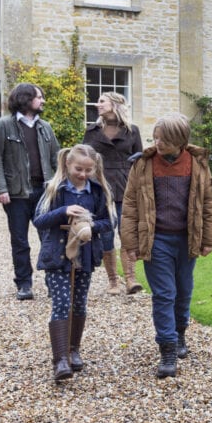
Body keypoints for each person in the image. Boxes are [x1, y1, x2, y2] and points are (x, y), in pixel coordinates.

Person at [121, 113, 212, 378]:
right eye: (156, 136)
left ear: (180, 141)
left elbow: (209, 203)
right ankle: (167, 349)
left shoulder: (197, 164)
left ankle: (180, 333)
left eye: (164, 138)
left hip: (187, 240)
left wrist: (208, 238)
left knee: (184, 291)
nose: (157, 142)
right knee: (164, 294)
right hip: (157, 240)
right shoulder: (143, 165)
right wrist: (130, 242)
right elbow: (129, 205)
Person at [32, 144, 115, 381]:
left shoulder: (97, 191)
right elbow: (38, 220)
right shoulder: (54, 189)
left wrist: (91, 227)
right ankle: (60, 360)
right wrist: (63, 211)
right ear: (68, 164)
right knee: (61, 303)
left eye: (89, 170)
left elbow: (109, 222)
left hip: (85, 256)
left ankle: (73, 350)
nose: (83, 174)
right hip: (57, 256)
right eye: (79, 169)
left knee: (79, 304)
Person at [0, 83, 61, 300]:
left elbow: (57, 158)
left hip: (44, 192)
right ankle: (24, 284)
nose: (43, 101)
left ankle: (53, 282)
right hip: (16, 194)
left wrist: (60, 185)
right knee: (20, 241)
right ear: (26, 99)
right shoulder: (3, 125)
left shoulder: (45, 127)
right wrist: (0, 188)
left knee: (49, 238)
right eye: (39, 97)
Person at [83, 92, 144, 295]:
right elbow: (83, 159)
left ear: (115, 104)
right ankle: (112, 282)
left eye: (102, 101)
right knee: (106, 235)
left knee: (126, 234)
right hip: (100, 187)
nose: (97, 104)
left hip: (125, 187)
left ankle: (130, 279)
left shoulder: (132, 131)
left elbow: (139, 162)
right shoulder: (92, 131)